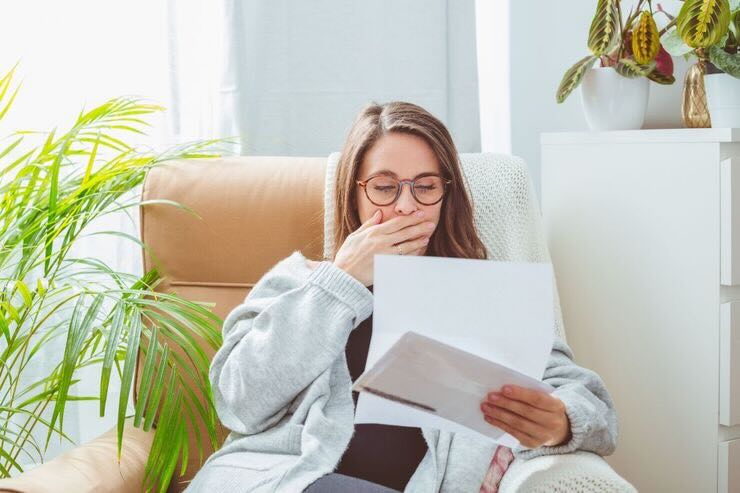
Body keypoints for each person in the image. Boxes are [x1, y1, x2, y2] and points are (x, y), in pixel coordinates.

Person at [184, 102, 617, 493]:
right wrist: (342, 280)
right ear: (352, 195)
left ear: (446, 197)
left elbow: (591, 405)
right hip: (287, 481)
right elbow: (237, 403)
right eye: (385, 187)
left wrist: (561, 421)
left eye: (425, 187)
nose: (406, 207)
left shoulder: (483, 294)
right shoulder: (300, 282)